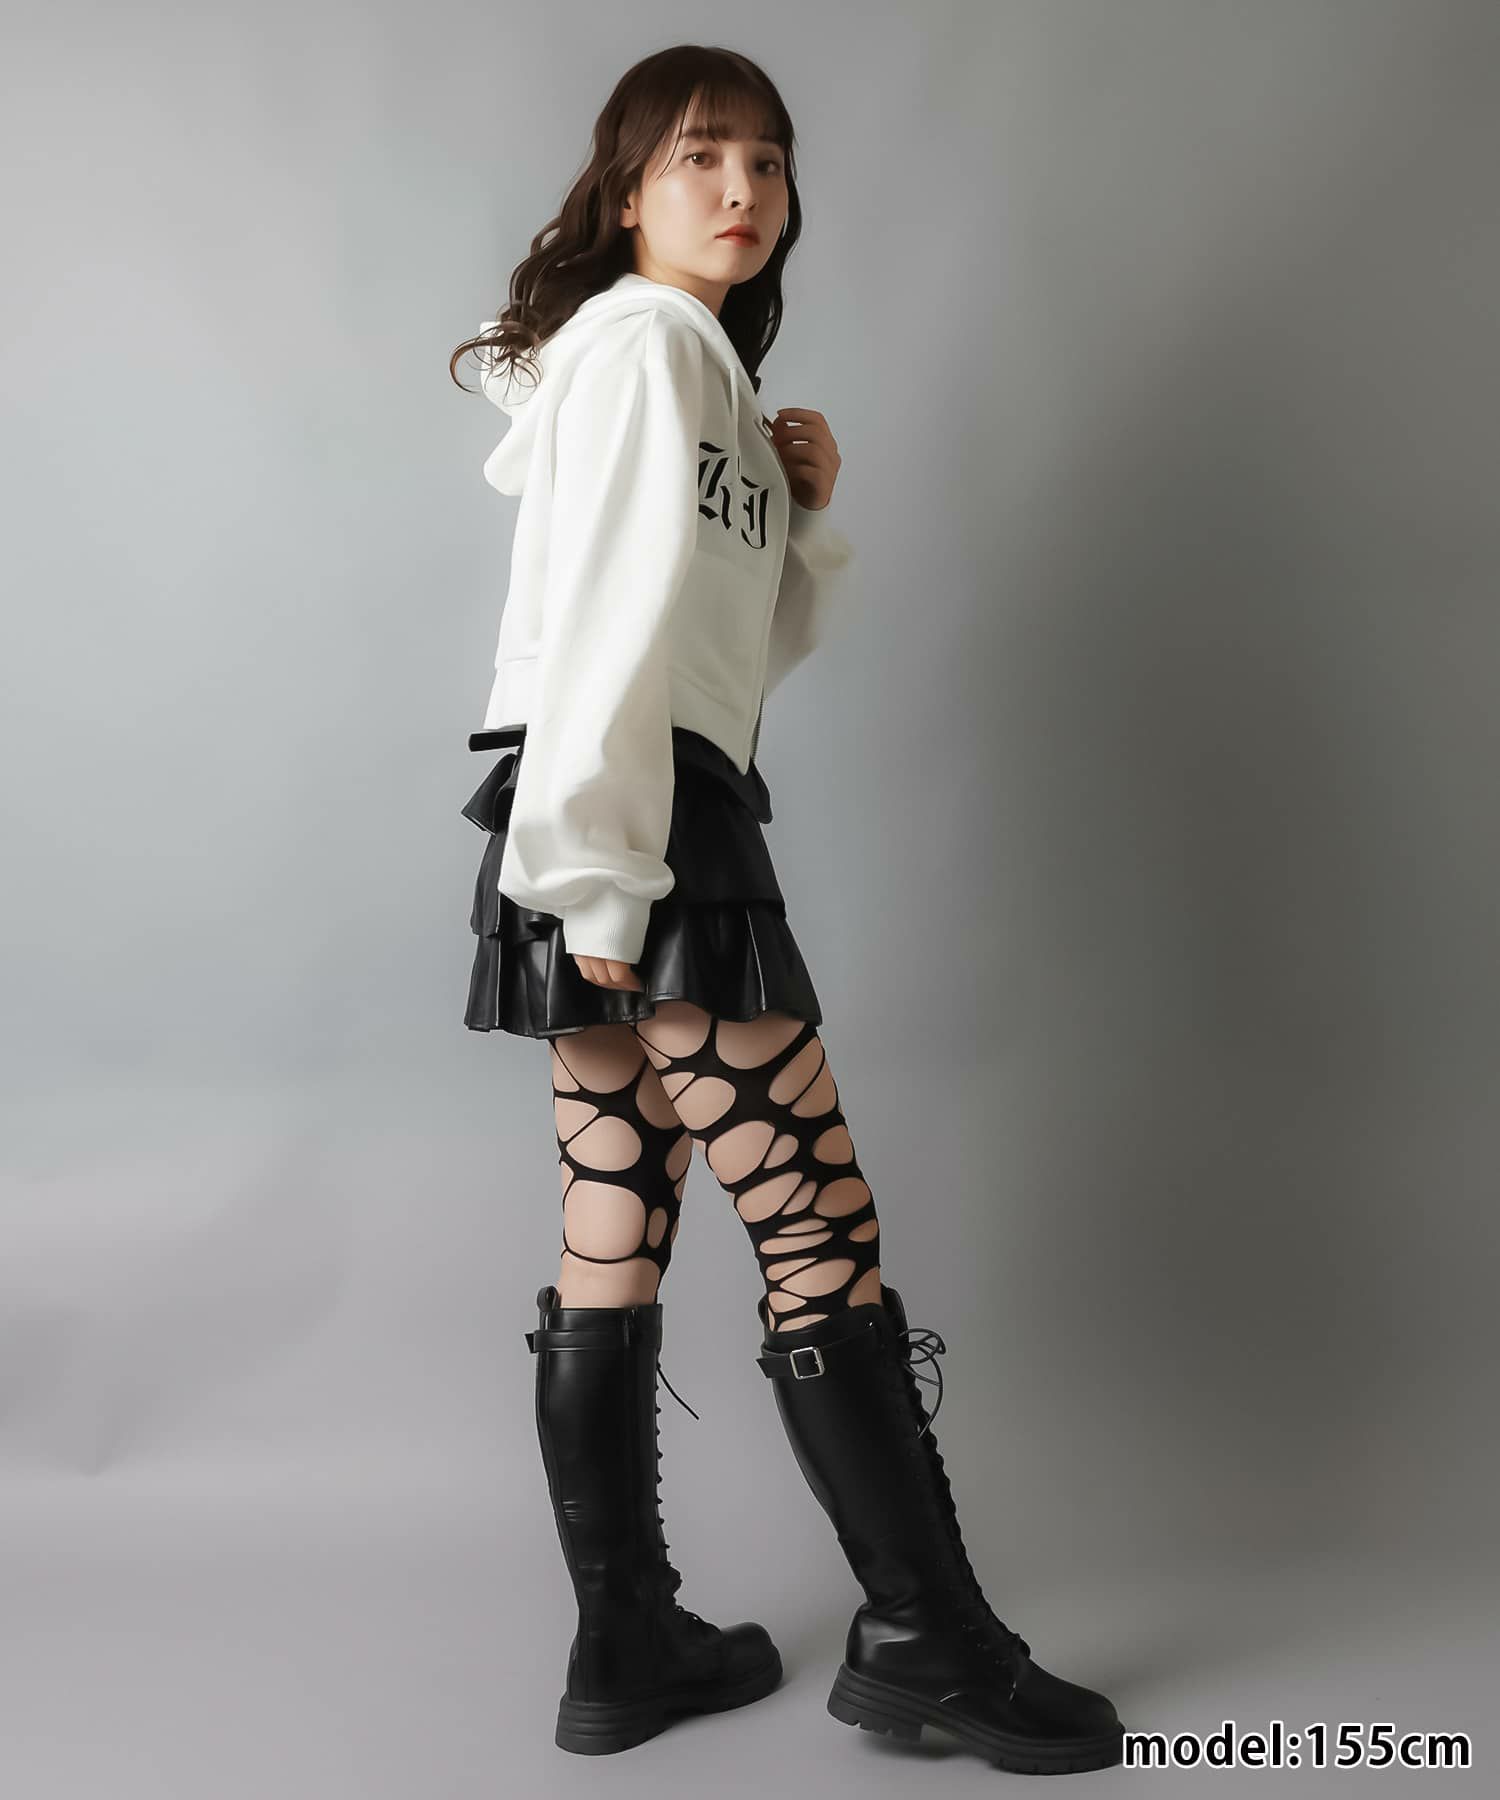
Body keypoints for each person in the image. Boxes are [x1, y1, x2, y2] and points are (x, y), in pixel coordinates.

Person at [449, 43, 1124, 1775]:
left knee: (614, 1229)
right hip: (633, 821)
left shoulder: (696, 375)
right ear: (628, 192)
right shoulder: (650, 347)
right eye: (701, 156)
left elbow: (727, 664)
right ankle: (928, 1643)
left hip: (616, 804)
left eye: (767, 158)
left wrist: (798, 516)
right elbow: (610, 627)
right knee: (818, 1228)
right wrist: (607, 869)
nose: (743, 188)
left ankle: (626, 1643)